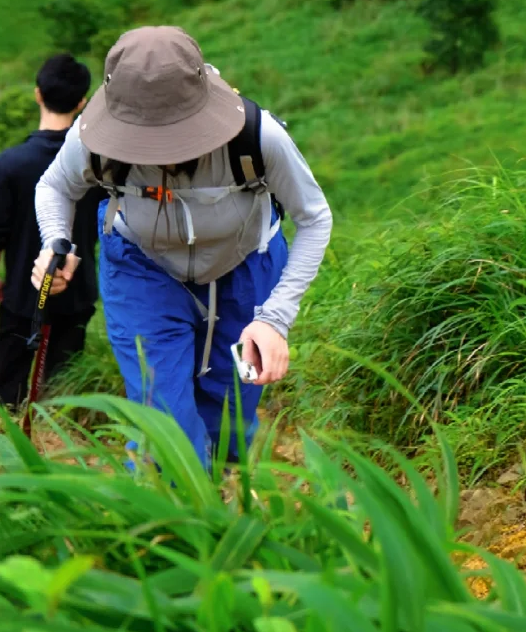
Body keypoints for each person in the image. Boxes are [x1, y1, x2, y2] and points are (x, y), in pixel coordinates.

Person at [32, 26, 332, 464]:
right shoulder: (90, 139)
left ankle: (221, 493)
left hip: (246, 270)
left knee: (231, 416)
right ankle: (173, 518)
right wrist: (54, 241)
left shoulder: (257, 136)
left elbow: (314, 217)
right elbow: (54, 185)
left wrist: (275, 318)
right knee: (165, 425)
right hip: (141, 271)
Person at [0, 54, 97, 410]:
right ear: (82, 102)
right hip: (77, 289)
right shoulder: (94, 162)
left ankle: (11, 442)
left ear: (37, 95)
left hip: (22, 287)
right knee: (64, 385)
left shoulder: (9, 163)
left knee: (9, 383)